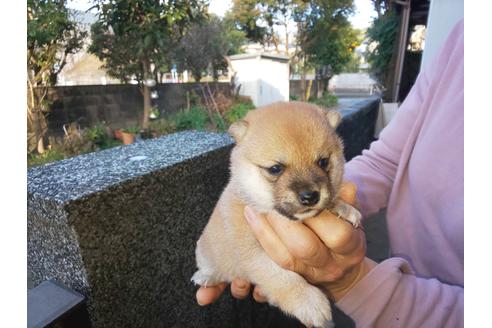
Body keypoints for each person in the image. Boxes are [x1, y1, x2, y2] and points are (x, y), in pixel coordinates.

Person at [196, 20, 464, 327]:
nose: (309, 188)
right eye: (275, 169)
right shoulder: (462, 38)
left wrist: (355, 284)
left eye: (322, 163)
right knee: (212, 263)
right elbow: (388, 161)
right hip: (403, 268)